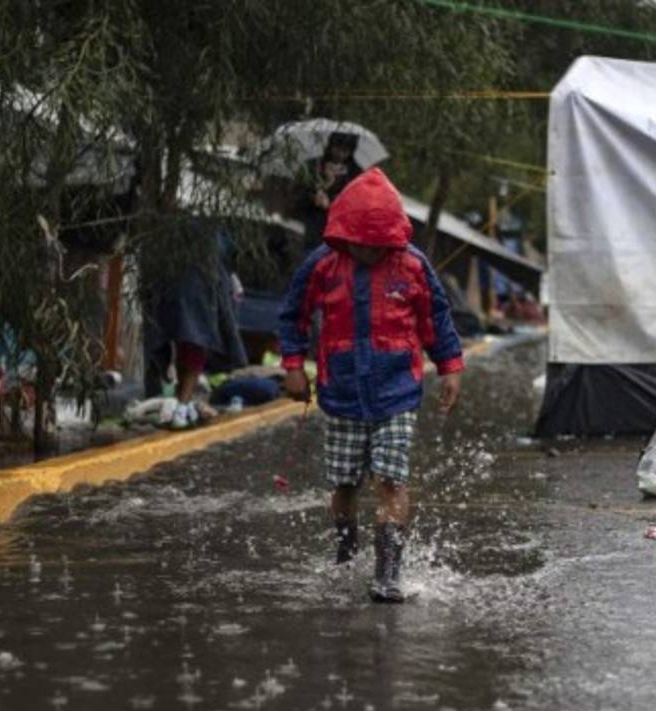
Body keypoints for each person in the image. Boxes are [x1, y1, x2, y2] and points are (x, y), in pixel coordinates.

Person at [279, 168, 464, 603]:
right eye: (361, 243)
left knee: (390, 479)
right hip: (341, 391)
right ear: (344, 234)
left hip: (397, 390)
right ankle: (346, 553)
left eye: (379, 244)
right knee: (345, 483)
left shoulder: (412, 265)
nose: (369, 251)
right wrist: (293, 365)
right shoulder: (322, 264)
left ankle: (388, 574)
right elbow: (293, 315)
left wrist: (450, 366)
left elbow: (436, 317)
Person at [142, 230, 248, 428]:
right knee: (192, 348)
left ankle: (182, 403)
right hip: (195, 297)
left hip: (186, 296)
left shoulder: (198, 236)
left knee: (188, 348)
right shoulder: (209, 236)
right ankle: (182, 404)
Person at [295, 131, 362, 252]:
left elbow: (358, 202)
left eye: (345, 150)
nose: (340, 154)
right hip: (314, 230)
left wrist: (332, 204)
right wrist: (319, 191)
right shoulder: (313, 166)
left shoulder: (355, 172)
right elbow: (298, 195)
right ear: (330, 146)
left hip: (340, 233)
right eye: (337, 148)